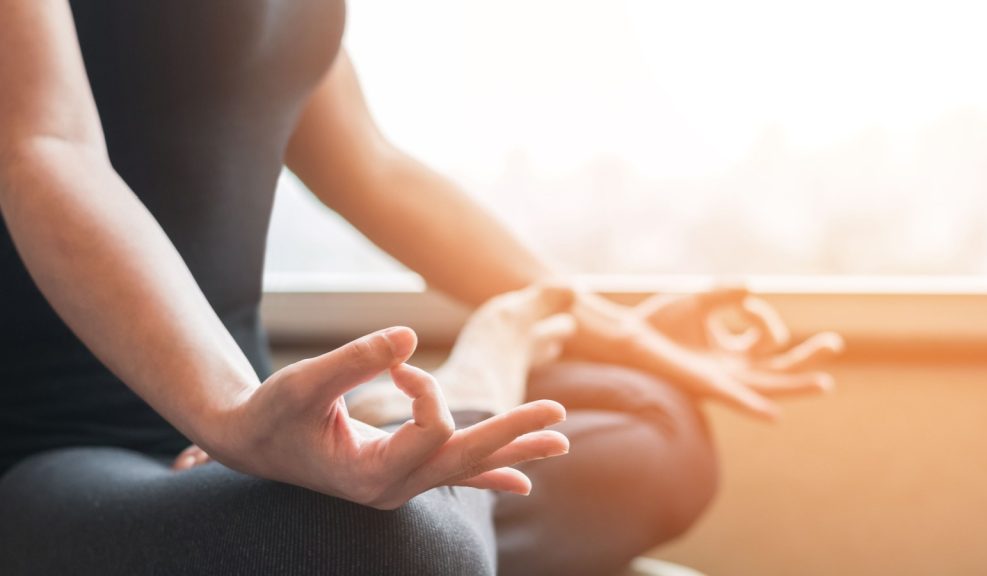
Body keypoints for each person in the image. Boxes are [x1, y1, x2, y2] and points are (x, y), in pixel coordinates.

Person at [0, 1, 843, 575]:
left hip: (250, 421)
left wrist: (617, 330)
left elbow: (374, 169)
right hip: (53, 454)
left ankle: (358, 487)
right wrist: (226, 421)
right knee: (392, 549)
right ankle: (473, 393)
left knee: (655, 426)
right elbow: (44, 145)